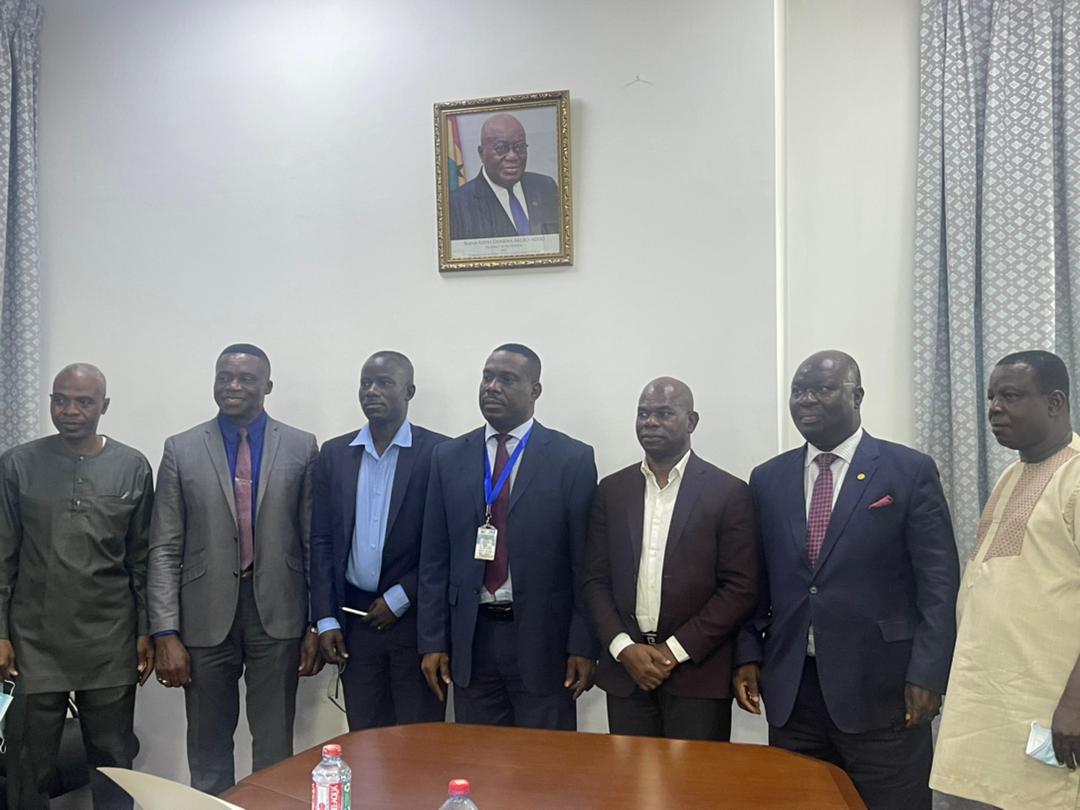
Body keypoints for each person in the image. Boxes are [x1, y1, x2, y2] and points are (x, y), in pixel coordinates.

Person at [733, 350, 959, 809]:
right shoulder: (768, 478)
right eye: (799, 391)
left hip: (883, 693)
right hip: (794, 692)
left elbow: (939, 584)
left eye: (822, 389)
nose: (806, 400)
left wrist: (929, 674)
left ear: (857, 396)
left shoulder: (908, 470)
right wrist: (748, 653)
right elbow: (756, 582)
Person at [148, 344, 321, 795]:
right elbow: (164, 547)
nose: (233, 386)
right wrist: (165, 631)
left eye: (246, 378)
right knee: (207, 749)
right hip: (203, 616)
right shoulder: (181, 448)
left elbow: (313, 542)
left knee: (275, 749)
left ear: (268, 385)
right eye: (224, 376)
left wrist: (315, 622)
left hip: (278, 614)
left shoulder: (302, 446)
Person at [417, 343, 597, 729]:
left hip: (544, 642)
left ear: (535, 390)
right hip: (471, 639)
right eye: (487, 377)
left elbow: (585, 564)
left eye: (507, 379)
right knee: (479, 757)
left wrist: (583, 644)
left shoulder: (572, 458)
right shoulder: (447, 457)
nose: (492, 387)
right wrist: (433, 641)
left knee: (544, 759)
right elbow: (433, 558)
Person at [0, 364, 154, 810]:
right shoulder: (17, 464)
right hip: (33, 642)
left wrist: (145, 630)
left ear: (104, 406)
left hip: (109, 640)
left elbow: (142, 559)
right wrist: (1, 633)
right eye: (60, 400)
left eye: (84, 402)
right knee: (27, 767)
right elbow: (3, 555)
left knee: (114, 766)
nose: (70, 410)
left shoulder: (132, 466)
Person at [931, 350, 1080, 809]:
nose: (995, 408)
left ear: (1055, 403)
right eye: (992, 397)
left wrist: (1076, 704)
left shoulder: (1076, 476)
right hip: (983, 713)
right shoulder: (1012, 474)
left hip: (1047, 709)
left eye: (1011, 396)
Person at [583, 377, 757, 741]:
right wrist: (623, 648)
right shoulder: (612, 490)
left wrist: (672, 652)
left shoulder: (728, 492)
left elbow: (739, 587)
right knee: (629, 777)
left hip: (697, 673)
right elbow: (595, 579)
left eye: (664, 413)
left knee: (695, 778)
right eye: (643, 413)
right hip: (626, 672)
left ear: (691, 421)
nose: (650, 422)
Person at [310, 351, 448, 729]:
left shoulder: (440, 453)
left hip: (416, 622)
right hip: (355, 623)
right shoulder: (335, 454)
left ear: (409, 391)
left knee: (417, 738)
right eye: (365, 383)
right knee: (365, 738)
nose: (371, 391)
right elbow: (321, 541)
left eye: (384, 383)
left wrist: (402, 596)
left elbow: (447, 546)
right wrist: (325, 618)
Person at [449, 113, 560, 240]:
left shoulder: (546, 187)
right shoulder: (457, 204)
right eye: (501, 148)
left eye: (519, 147)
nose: (512, 156)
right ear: (481, 153)